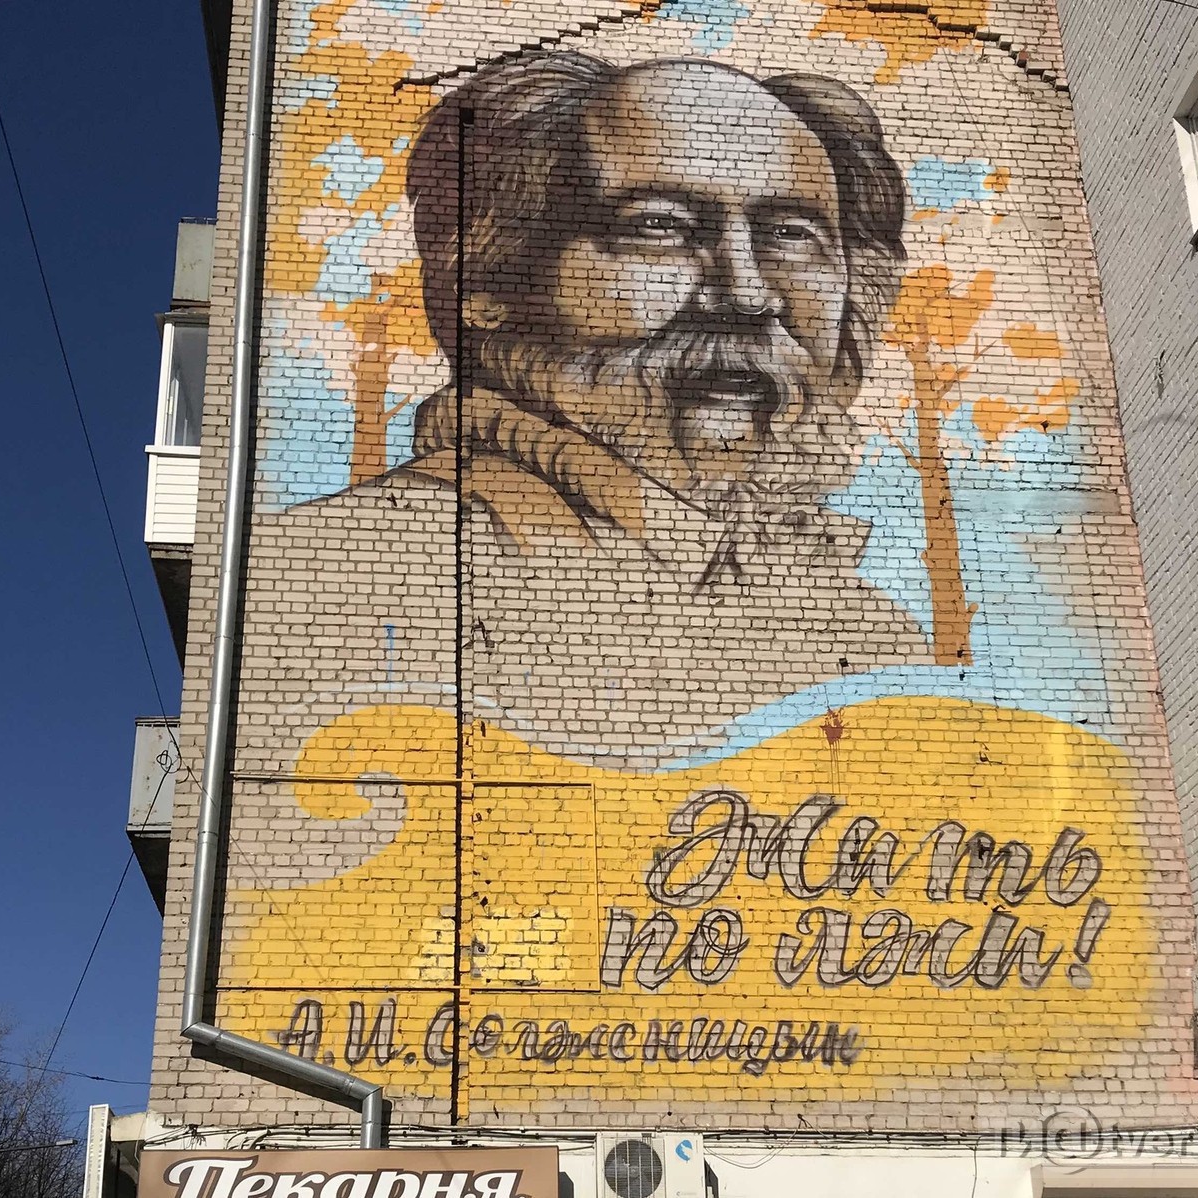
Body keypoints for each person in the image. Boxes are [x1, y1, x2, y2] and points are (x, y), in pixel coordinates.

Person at [247, 53, 930, 763]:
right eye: (658, 226)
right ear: (486, 279)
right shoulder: (357, 573)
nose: (747, 294)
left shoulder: (872, 636)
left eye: (791, 235)